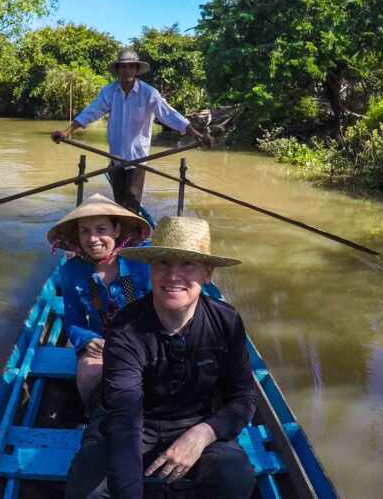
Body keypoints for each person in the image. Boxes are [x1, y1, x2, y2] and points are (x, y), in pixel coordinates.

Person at [64, 216, 257, 499]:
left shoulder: (226, 321)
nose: (173, 276)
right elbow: (124, 417)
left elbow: (243, 397)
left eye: (187, 264)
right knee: (85, 489)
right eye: (163, 263)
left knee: (236, 479)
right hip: (132, 424)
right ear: (151, 270)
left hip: (195, 419)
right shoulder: (126, 328)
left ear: (208, 273)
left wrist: (202, 434)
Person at [51, 49, 210, 214]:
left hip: (137, 159)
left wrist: (197, 135)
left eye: (131, 67)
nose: (127, 71)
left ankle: (132, 235)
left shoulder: (148, 93)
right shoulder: (109, 91)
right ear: (118, 69)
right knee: (119, 204)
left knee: (132, 200)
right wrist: (67, 131)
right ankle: (123, 235)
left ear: (136, 70)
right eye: (124, 67)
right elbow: (91, 112)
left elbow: (169, 114)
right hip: (115, 158)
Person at [49, 193, 153, 406]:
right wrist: (88, 340)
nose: (93, 239)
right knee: (88, 374)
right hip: (100, 339)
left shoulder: (140, 263)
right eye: (84, 231)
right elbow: (74, 320)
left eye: (101, 229)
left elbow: (157, 310)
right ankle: (91, 414)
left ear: (117, 230)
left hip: (140, 337)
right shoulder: (72, 271)